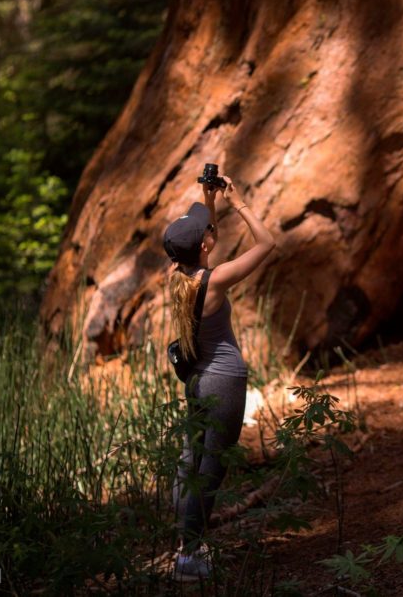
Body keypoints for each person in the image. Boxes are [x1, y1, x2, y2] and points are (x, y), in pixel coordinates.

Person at [161, 174, 276, 581]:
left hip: (197, 381)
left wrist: (209, 201)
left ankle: (185, 544)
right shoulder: (214, 281)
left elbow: (202, 244)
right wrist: (239, 202)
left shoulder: (180, 277)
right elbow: (267, 244)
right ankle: (190, 559)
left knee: (191, 461)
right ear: (205, 246)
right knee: (211, 468)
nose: (210, 236)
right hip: (223, 382)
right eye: (207, 235)